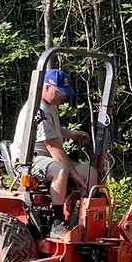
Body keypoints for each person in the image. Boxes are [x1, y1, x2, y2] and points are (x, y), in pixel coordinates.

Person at [11, 69, 96, 236]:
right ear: (47, 88)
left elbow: (54, 130)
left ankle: (83, 219)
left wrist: (72, 134)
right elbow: (54, 148)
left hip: (47, 159)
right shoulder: (37, 109)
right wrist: (74, 175)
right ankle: (58, 223)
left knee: (90, 173)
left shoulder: (51, 106)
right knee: (62, 170)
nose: (63, 97)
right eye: (59, 92)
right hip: (28, 161)